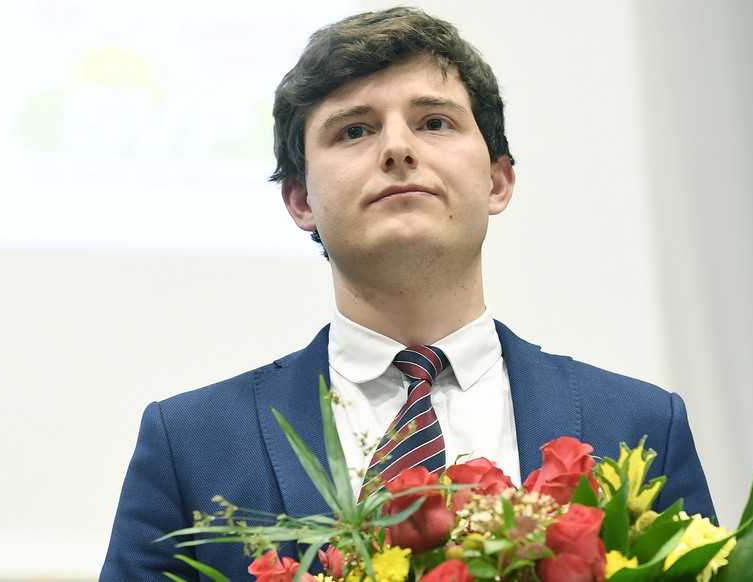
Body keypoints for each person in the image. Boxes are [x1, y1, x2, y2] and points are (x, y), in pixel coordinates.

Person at [101, 7, 714, 580]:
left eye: (435, 122)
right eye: (354, 131)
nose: (398, 148)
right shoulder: (189, 443)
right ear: (301, 200)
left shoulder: (640, 427)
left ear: (498, 181)